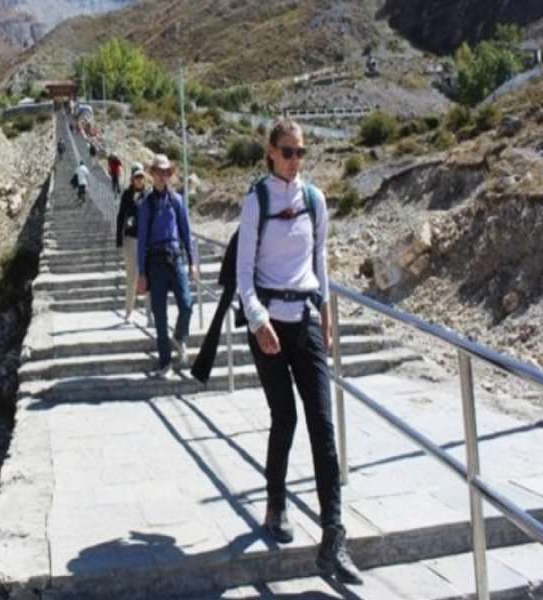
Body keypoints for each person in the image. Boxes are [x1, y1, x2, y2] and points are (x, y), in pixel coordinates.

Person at [236, 118, 362, 584]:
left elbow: (320, 259)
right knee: (285, 417)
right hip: (269, 323)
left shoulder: (314, 199)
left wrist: (326, 313)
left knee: (323, 425)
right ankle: (276, 502)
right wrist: (257, 320)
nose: (295, 160)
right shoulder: (257, 200)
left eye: (300, 152)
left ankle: (333, 536)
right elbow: (244, 273)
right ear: (271, 151)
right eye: (287, 151)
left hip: (305, 318)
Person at [136, 154, 196, 378]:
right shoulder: (146, 205)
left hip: (176, 257)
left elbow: (186, 232)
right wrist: (141, 273)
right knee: (160, 315)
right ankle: (165, 363)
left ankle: (179, 336)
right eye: (158, 172)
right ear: (152, 174)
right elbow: (141, 241)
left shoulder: (177, 200)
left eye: (166, 172)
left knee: (187, 304)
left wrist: (192, 261)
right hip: (155, 263)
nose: (162, 176)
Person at [116, 162, 147, 323]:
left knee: (148, 275)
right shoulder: (127, 195)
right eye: (136, 177)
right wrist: (118, 240)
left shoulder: (148, 195)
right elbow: (120, 216)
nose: (139, 180)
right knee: (132, 277)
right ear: (132, 178)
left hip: (146, 240)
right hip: (130, 239)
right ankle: (129, 311)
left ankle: (150, 313)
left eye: (141, 177)